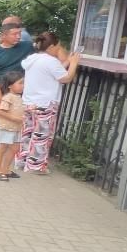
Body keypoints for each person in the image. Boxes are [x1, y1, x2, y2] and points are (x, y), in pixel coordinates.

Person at [17, 32, 81, 175]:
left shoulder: (33, 58)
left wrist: (67, 62)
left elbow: (50, 70)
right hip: (45, 104)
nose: (59, 48)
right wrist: (74, 63)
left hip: (29, 102)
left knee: (27, 133)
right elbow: (66, 78)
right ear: (52, 45)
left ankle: (22, 161)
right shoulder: (50, 61)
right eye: (58, 46)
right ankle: (36, 166)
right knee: (42, 135)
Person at [0, 16, 35, 155]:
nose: (19, 37)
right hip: (1, 88)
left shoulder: (27, 46)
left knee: (19, 114)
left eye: (19, 34)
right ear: (4, 36)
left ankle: (17, 146)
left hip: (20, 89)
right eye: (15, 34)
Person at [0, 71, 25, 181]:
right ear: (10, 85)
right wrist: (15, 119)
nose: (23, 85)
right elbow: (0, 111)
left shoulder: (18, 97)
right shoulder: (8, 97)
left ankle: (6, 169)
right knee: (2, 148)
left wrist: (29, 109)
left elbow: (17, 109)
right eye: (20, 83)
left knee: (15, 148)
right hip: (6, 127)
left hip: (16, 128)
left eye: (23, 83)